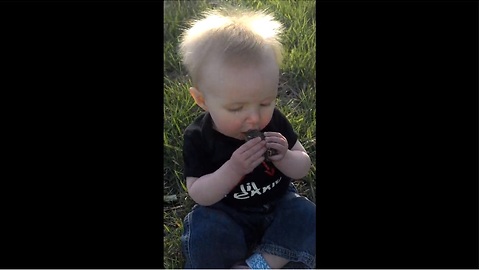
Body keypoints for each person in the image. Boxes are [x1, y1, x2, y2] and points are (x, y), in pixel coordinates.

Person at [178, 6, 315, 269]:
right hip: (226, 209)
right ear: (202, 100)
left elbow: (302, 166)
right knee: (204, 229)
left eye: (265, 102)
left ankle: (259, 264)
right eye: (236, 108)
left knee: (307, 215)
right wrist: (233, 169)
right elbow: (199, 193)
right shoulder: (198, 137)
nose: (253, 118)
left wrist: (285, 156)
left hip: (277, 202)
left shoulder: (274, 121)